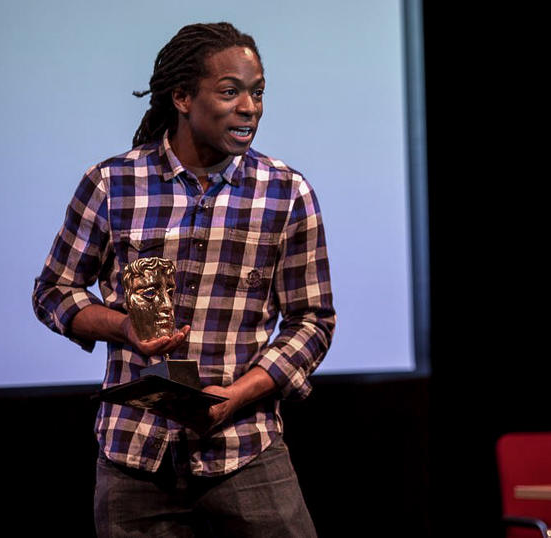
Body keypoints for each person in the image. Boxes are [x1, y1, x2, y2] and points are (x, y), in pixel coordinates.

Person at [32, 22, 335, 537]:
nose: (250, 107)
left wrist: (238, 394)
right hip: (135, 456)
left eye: (257, 92)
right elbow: (54, 292)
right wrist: (124, 328)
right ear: (181, 96)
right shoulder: (112, 184)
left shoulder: (287, 193)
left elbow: (312, 321)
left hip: (246, 450)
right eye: (230, 91)